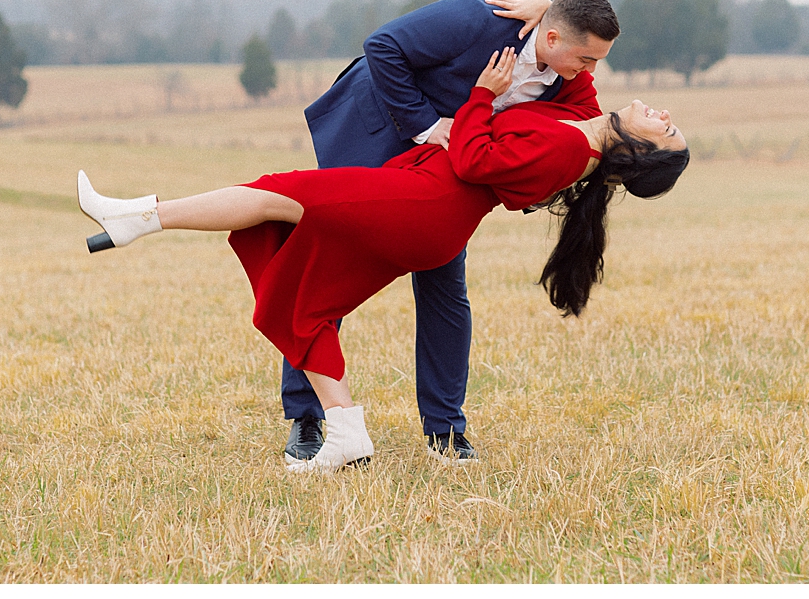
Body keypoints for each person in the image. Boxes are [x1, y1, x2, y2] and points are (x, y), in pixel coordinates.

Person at [77, 47, 690, 473]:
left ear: (639, 152)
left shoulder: (564, 153)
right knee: (302, 297)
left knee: (277, 191)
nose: (663, 116)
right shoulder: (581, 127)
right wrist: (540, 12)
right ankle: (344, 429)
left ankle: (139, 217)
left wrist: (481, 95)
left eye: (666, 130)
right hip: (421, 204)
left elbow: (477, 161)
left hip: (423, 206)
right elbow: (578, 76)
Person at [288, 0, 618, 466]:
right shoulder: (474, 18)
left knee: (445, 278)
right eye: (587, 58)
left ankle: (445, 432)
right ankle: (307, 417)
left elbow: (587, 135)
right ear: (550, 37)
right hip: (378, 129)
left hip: (446, 167)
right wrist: (426, 125)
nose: (591, 72)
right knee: (326, 265)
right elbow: (383, 46)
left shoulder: (570, 79)